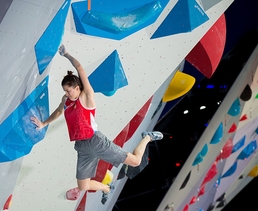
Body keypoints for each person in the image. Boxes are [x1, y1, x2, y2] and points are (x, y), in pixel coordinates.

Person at [31, 44, 163, 199]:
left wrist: (67, 54)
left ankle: (147, 137)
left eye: (68, 90)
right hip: (82, 147)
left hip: (96, 141)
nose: (66, 93)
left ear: (77, 88)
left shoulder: (86, 97)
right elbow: (59, 111)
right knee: (83, 185)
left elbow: (79, 68)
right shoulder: (66, 101)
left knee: (134, 161)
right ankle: (107, 189)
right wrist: (43, 124)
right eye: (64, 91)